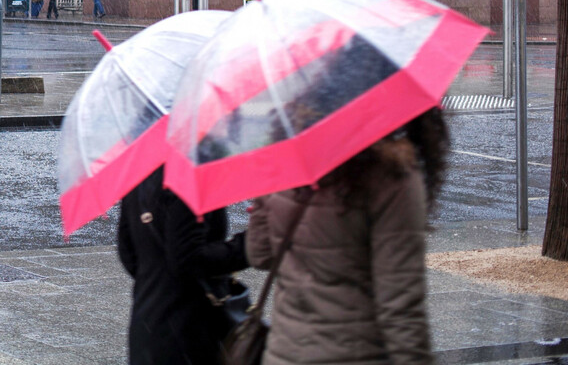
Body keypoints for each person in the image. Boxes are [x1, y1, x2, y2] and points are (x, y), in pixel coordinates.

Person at [246, 107, 449, 364]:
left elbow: (260, 255)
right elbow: (400, 307)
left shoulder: (285, 159)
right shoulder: (391, 174)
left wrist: (263, 205)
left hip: (284, 352)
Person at [118, 167, 249, 364]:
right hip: (190, 328)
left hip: (148, 323)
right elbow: (188, 259)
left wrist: (159, 280)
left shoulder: (141, 172)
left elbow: (128, 252)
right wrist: (246, 246)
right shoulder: (191, 174)